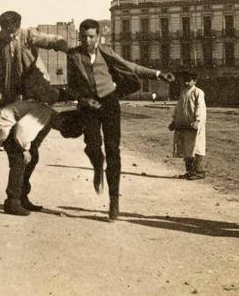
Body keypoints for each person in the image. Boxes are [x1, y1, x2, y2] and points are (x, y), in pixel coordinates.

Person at [65, 19, 174, 220]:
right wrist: (84, 99)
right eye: (83, 36)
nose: (87, 40)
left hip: (110, 104)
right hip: (89, 106)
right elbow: (71, 85)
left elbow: (130, 66)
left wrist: (157, 74)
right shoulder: (73, 56)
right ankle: (98, 165)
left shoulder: (106, 53)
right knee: (91, 145)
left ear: (97, 36)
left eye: (91, 36)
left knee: (113, 150)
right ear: (79, 36)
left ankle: (114, 201)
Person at [0, 10, 68, 124]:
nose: (10, 36)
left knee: (46, 96)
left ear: (18, 27)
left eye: (13, 32)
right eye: (6, 32)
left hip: (30, 75)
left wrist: (65, 47)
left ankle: (65, 103)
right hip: (7, 78)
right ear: (2, 28)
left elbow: (50, 40)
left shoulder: (28, 35)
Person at [169, 71, 207, 180]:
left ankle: (199, 171)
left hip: (194, 127)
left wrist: (198, 121)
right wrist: (174, 121)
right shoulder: (183, 92)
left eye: (188, 80)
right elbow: (178, 108)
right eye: (184, 80)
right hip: (183, 126)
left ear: (194, 81)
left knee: (197, 148)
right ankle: (190, 172)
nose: (186, 82)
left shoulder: (198, 92)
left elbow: (201, 108)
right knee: (186, 149)